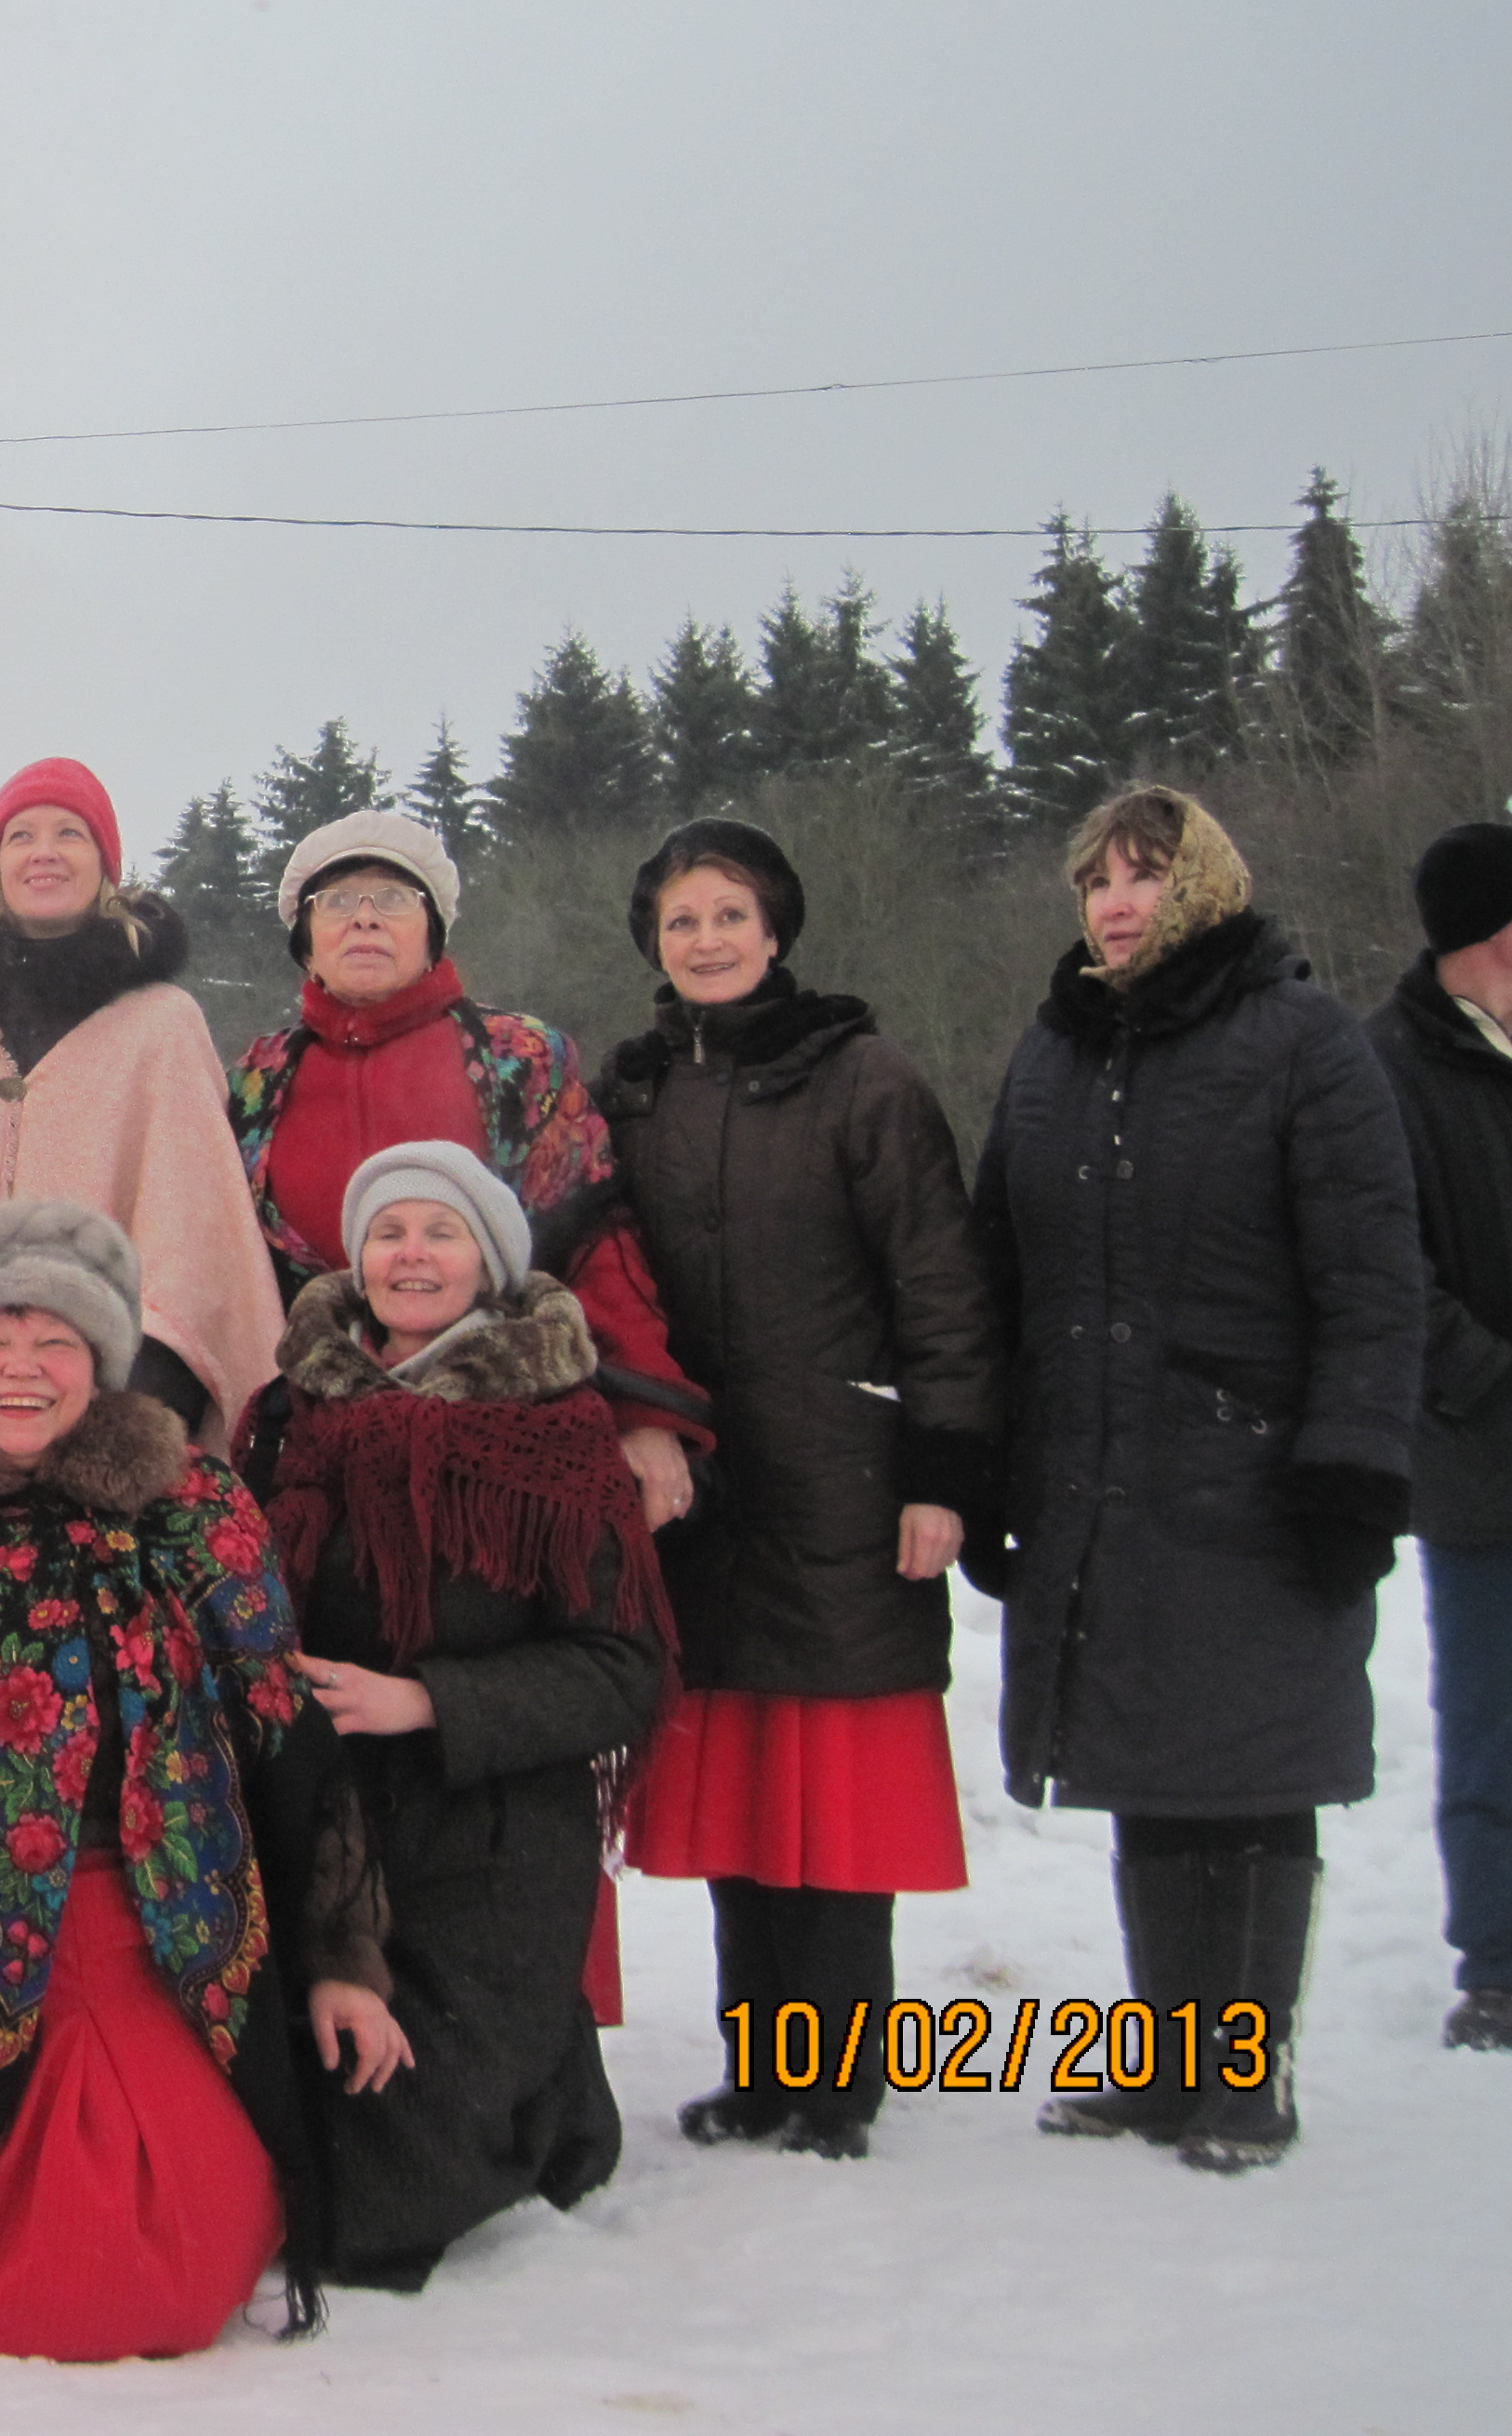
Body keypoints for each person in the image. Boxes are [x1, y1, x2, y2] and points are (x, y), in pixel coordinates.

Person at [0, 1200, 389, 2359]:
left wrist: (344, 1957)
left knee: (161, 2257)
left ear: (100, 1366)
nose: (22, 1369)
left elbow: (283, 1733)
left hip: (149, 1910)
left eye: (58, 1344)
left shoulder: (190, 1505)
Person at [972, 786, 1423, 2170]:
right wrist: (990, 1464)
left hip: (1258, 1480)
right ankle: (1167, 2064)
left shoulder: (1307, 1042)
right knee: (1147, 1770)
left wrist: (1354, 1467)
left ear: (1208, 887)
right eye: (1096, 880)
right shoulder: (1053, 1054)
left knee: (1250, 1773)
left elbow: (1372, 1279)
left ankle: (1247, 2075)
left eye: (1146, 877)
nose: (1116, 903)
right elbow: (997, 1277)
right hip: (1094, 1478)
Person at [597, 820, 1003, 2160]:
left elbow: (942, 1286)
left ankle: (836, 2085)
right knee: (734, 1798)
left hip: (842, 1473)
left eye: (728, 915)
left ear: (775, 930)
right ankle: (758, 2069)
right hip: (701, 1490)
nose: (705, 940)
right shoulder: (635, 1093)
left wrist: (942, 1473)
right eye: (680, 921)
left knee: (828, 1798)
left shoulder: (866, 1080)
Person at [264, 1142, 673, 2289]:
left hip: (486, 1830)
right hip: (323, 1824)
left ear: (488, 1261)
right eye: (387, 1231)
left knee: (368, 2215)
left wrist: (424, 1702)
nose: (410, 1254)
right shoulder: (291, 1413)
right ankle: (539, 2076)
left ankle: (537, 2086)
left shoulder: (556, 1429)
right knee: (265, 2156)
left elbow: (619, 1667)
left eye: (440, 1232)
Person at [230, 809, 707, 1529]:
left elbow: (597, 1240)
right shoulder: (255, 1083)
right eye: (337, 902)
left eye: (393, 899)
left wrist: (642, 1407)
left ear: (433, 932)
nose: (364, 920)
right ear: (305, 940)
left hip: (508, 1442)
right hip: (318, 1452)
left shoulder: (520, 1061)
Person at [0, 759, 286, 1445]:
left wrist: (140, 1400)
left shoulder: (161, 1021)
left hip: (120, 1390)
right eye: (20, 836)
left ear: (105, 863)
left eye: (71, 833)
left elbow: (197, 1238)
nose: (45, 852)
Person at [1369, 823, 1512, 2053]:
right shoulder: (1390, 1070)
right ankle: (1502, 1961)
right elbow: (1388, 1275)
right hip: (1485, 1457)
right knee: (1494, 1719)